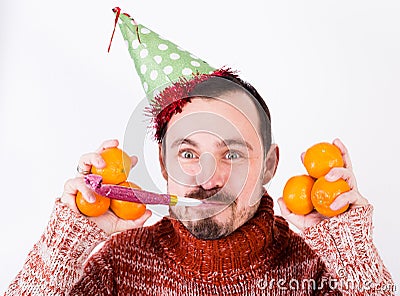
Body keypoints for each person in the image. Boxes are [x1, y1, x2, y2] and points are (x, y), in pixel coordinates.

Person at [5, 8, 395, 296]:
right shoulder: (117, 267)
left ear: (270, 165)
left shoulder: (314, 272)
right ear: (162, 163)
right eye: (189, 154)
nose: (208, 179)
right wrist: (68, 240)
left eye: (232, 155)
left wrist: (354, 254)